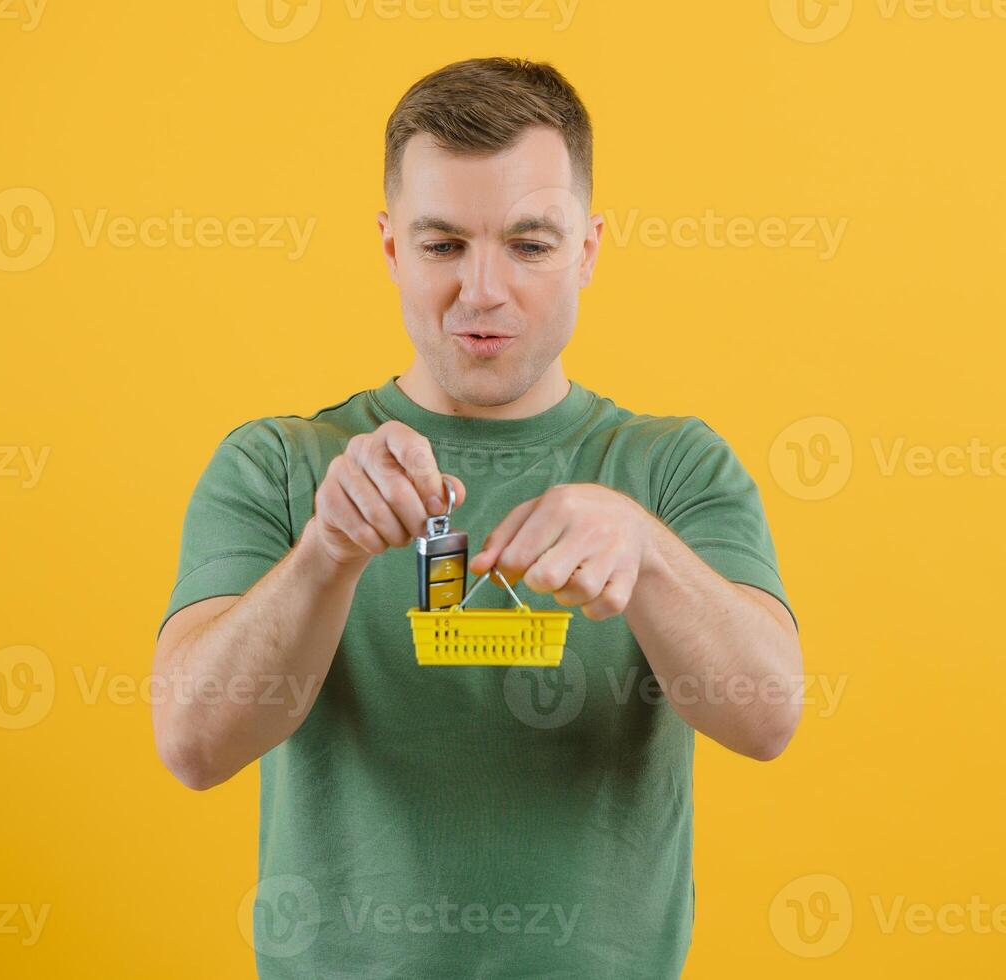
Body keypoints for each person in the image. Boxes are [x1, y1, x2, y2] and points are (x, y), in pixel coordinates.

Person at [151, 56, 802, 979]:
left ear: (588, 248)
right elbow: (193, 744)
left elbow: (766, 718)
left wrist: (647, 553)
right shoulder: (280, 464)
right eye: (443, 244)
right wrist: (324, 554)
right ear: (388, 248)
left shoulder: (674, 466)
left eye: (530, 245)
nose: (483, 291)